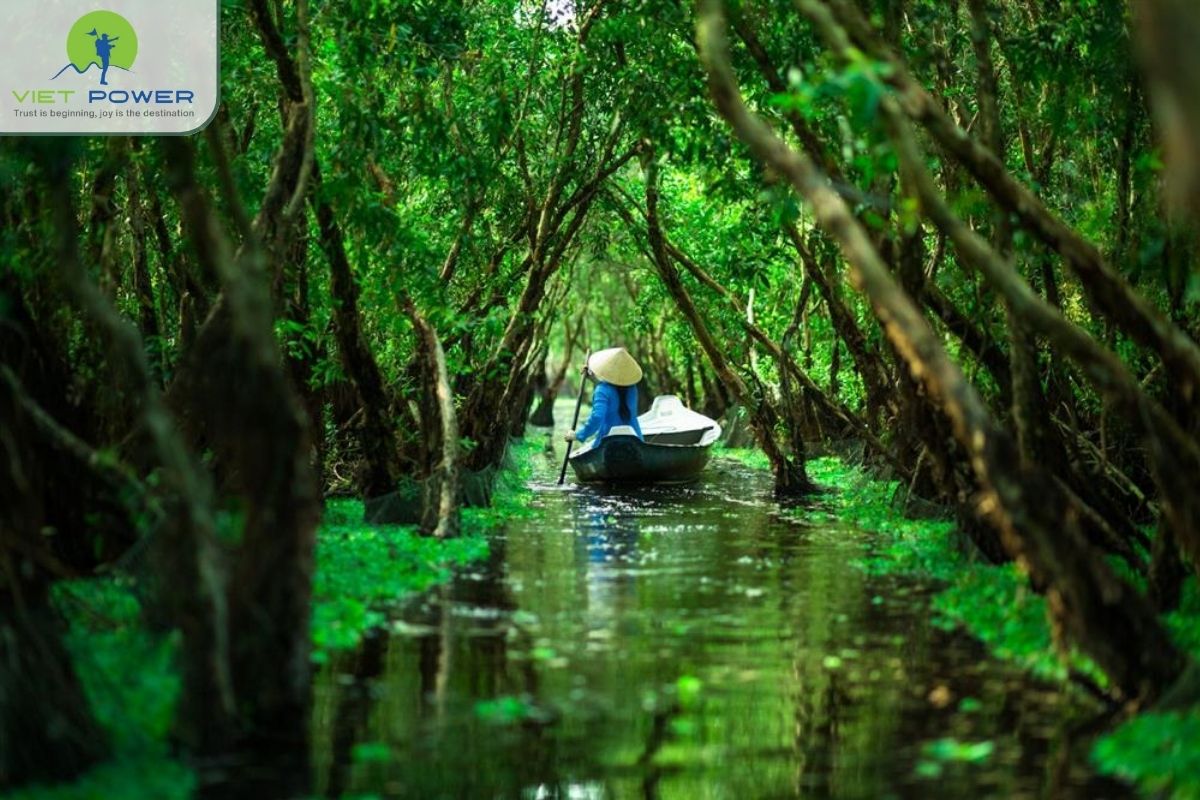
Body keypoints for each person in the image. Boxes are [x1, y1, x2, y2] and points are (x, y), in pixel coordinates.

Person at [565, 347, 644, 445]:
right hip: (636, 441)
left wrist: (578, 435)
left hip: (609, 444)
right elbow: (615, 390)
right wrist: (593, 379)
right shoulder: (632, 388)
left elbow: (597, 417)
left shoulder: (602, 390)